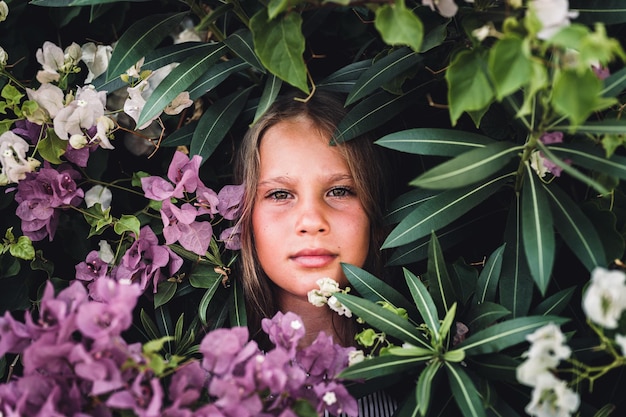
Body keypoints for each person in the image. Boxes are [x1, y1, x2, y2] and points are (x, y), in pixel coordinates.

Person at [234, 90, 397, 416]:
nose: (311, 221)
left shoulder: (429, 388)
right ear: (246, 220)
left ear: (375, 217)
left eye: (340, 191)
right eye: (280, 194)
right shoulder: (208, 389)